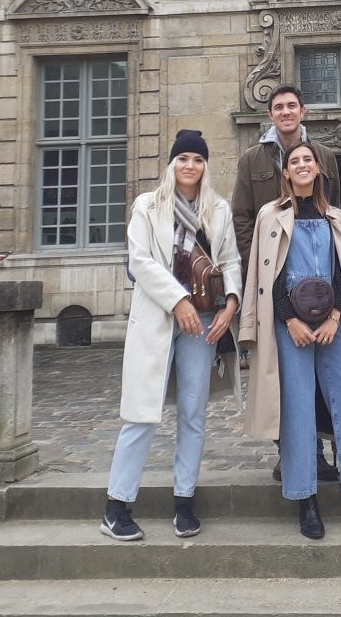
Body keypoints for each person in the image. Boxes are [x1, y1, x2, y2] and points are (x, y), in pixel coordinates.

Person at [239, 142, 341, 540]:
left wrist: (336, 315)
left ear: (319, 169)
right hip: (290, 328)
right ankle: (305, 500)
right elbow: (264, 274)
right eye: (295, 162)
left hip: (334, 325)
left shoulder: (337, 218)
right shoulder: (269, 216)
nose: (302, 165)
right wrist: (289, 319)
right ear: (286, 173)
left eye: (308, 160)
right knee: (298, 408)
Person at [101, 130, 241, 542]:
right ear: (172, 164)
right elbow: (140, 261)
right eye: (183, 159)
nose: (190, 167)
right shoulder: (147, 206)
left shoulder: (217, 208)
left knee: (193, 414)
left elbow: (230, 260)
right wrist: (178, 300)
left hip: (203, 324)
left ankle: (184, 500)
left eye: (198, 159)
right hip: (160, 320)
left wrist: (230, 304)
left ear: (205, 165)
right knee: (142, 413)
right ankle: (116, 504)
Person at [232, 83, 341, 482]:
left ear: (303, 110)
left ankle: (319, 453)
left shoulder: (325, 156)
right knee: (281, 373)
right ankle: (292, 454)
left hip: (319, 283)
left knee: (318, 375)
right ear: (271, 114)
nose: (286, 112)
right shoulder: (251, 159)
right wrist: (259, 267)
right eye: (278, 107)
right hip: (275, 284)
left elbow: (333, 214)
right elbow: (242, 218)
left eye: (292, 105)